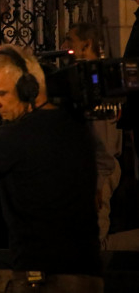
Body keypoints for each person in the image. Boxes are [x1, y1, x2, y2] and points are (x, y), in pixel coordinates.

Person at [0, 46, 102, 292]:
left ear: (28, 89)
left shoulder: (16, 135)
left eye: (0, 93)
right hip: (87, 274)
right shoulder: (75, 124)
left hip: (43, 279)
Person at [61, 22, 122, 246]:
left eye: (70, 40)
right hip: (92, 169)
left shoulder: (98, 79)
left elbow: (104, 142)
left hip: (99, 170)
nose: (65, 46)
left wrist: (98, 182)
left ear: (87, 45)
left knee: (95, 230)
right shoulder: (86, 77)